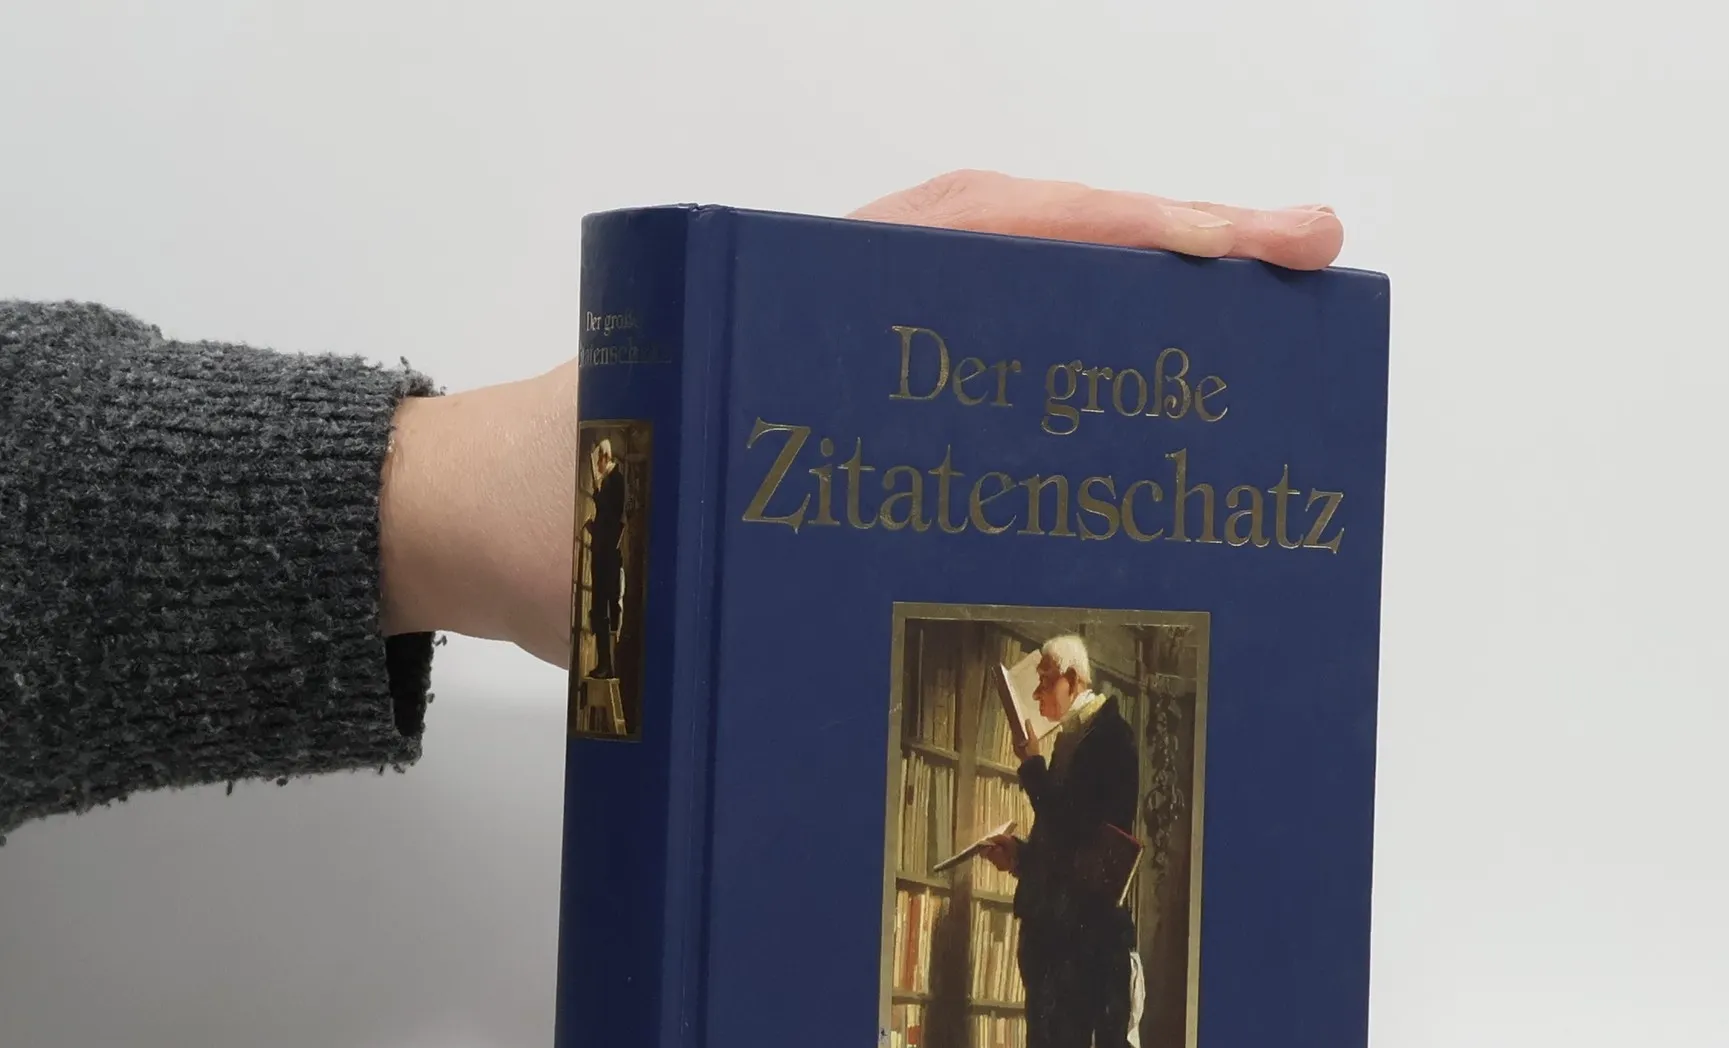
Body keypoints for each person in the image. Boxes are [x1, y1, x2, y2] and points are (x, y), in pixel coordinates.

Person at [0, 173, 1342, 842]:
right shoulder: (1085, 726)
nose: (1043, 690)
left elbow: (1093, 848)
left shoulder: (1108, 740)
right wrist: (462, 494)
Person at [981, 636, 1139, 1048]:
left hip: (1080, 938)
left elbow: (1081, 834)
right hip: (1055, 932)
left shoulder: (1108, 738)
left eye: (1047, 679)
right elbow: (1064, 849)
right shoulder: (1074, 738)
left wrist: (1031, 766)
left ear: (1075, 678)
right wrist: (1020, 856)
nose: (1039, 690)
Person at [583, 437, 626, 681]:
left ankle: (605, 665)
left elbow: (611, 521)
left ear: (604, 458)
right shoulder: (611, 481)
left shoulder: (614, 482)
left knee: (603, 610)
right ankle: (604, 664)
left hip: (606, 556)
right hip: (605, 554)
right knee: (602, 610)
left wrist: (594, 529)